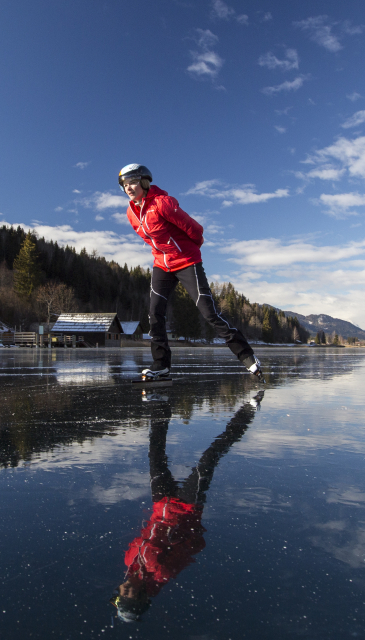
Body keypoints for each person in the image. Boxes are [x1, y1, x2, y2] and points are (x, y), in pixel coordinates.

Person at [111, 392, 264, 622]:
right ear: (141, 595)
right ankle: (249, 411)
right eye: (129, 595)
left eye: (121, 595)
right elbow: (196, 544)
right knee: (210, 457)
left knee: (155, 453)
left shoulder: (129, 563)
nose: (125, 591)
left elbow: (145, 535)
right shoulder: (162, 572)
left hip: (161, 504)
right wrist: (182, 530)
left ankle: (159, 404)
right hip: (187, 508)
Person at [118, 163, 262, 381]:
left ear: (144, 182)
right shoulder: (131, 213)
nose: (129, 188)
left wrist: (189, 249)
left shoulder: (162, 203)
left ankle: (247, 357)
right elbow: (150, 239)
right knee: (154, 313)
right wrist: (163, 256)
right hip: (162, 265)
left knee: (208, 312)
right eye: (125, 185)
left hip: (186, 260)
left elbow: (195, 229)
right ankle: (161, 365)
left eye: (133, 182)